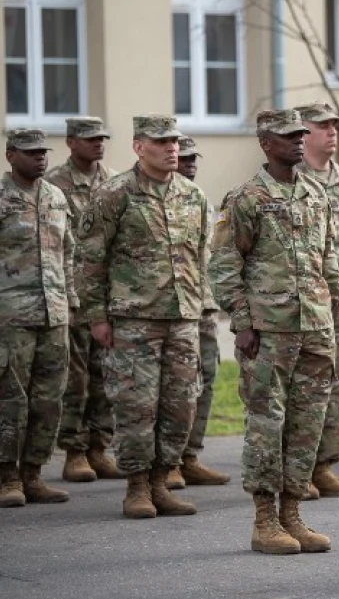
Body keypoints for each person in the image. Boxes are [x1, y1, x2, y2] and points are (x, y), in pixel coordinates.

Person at [209, 109, 339, 556]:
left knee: (307, 424)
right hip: (269, 331)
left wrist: (331, 313)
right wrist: (242, 322)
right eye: (288, 137)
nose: (299, 142)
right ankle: (265, 520)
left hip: (315, 327)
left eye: (302, 135)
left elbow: (326, 259)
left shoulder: (315, 192)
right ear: (266, 143)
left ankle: (293, 514)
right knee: (268, 423)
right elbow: (225, 265)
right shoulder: (245, 197)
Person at [80, 114, 208, 520]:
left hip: (183, 319)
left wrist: (202, 310)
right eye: (161, 142)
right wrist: (97, 316)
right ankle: (136, 488)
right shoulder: (113, 194)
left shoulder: (193, 196)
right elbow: (90, 259)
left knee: (180, 405)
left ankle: (160, 483)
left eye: (175, 142)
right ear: (139, 147)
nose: (172, 148)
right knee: (136, 407)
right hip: (133, 321)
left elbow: (200, 257)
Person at [291, 101, 339, 500]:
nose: (332, 132)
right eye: (322, 126)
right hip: (306, 303)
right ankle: (296, 470)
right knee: (305, 387)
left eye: (334, 126)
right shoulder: (289, 180)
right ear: (302, 133)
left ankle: (323, 466)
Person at [44, 117, 124, 483]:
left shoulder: (115, 181)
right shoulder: (54, 185)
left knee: (105, 373)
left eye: (102, 138)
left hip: (110, 292)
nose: (99, 144)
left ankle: (99, 446)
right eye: (90, 139)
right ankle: (74, 450)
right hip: (74, 292)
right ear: (71, 142)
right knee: (75, 377)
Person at [0, 129, 75, 508]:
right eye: (30, 153)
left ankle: (33, 474)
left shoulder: (55, 196)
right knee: (10, 398)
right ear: (11, 155)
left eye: (43, 152)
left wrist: (71, 302)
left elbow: (68, 254)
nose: (40, 158)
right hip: (10, 316)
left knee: (49, 398)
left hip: (54, 314)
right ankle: (7, 476)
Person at [165, 136, 231, 489]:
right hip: (174, 309)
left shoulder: (205, 204)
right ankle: (169, 460)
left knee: (206, 380)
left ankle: (190, 456)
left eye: (194, 159)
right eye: (184, 159)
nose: (191, 164)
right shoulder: (162, 204)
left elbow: (219, 251)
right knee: (179, 386)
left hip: (205, 306)